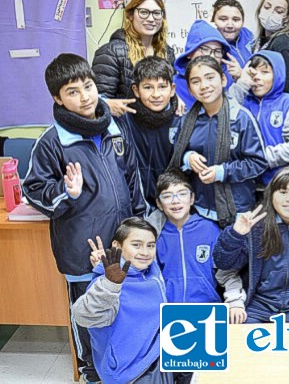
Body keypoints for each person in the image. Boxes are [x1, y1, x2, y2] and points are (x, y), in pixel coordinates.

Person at [23, 54, 146, 383]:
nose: (85, 96)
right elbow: (33, 189)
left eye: (88, 86)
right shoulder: (51, 142)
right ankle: (92, 372)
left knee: (121, 306)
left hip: (120, 244)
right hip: (81, 250)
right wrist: (67, 192)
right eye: (72, 91)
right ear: (57, 98)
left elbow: (133, 178)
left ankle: (121, 366)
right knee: (88, 313)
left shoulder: (114, 127)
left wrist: (141, 226)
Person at [213, 168, 289, 323]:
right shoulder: (255, 227)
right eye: (283, 192)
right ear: (271, 196)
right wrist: (235, 235)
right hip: (257, 307)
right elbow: (224, 263)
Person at [169, 56, 267, 227]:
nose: (204, 86)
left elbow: (258, 163)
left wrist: (222, 172)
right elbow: (176, 155)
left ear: (223, 80)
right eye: (196, 81)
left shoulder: (241, 118)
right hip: (198, 208)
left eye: (210, 77)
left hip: (238, 209)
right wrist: (187, 158)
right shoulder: (187, 121)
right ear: (190, 90)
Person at [72, 218, 171, 384]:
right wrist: (110, 284)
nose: (145, 252)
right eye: (137, 245)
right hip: (130, 372)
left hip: (156, 353)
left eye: (150, 245)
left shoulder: (150, 270)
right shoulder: (107, 284)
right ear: (117, 246)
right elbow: (83, 315)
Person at [154, 171, 244, 309]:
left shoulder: (209, 229)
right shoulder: (156, 235)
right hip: (168, 309)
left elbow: (225, 269)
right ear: (159, 204)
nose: (175, 200)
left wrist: (234, 300)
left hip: (208, 306)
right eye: (167, 196)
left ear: (191, 198)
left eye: (182, 193)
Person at [227, 50, 289, 185]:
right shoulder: (243, 101)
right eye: (253, 73)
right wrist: (242, 83)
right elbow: (223, 115)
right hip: (246, 182)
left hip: (283, 183)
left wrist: (259, 158)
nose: (257, 77)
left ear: (277, 75)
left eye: (265, 72)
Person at [92, 0, 175, 116]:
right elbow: (97, 101)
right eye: (144, 12)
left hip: (157, 127)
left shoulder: (166, 52)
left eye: (157, 13)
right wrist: (107, 103)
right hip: (124, 128)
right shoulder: (111, 53)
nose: (151, 19)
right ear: (130, 15)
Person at [117, 56, 180, 208]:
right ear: (136, 90)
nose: (156, 94)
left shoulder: (182, 120)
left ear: (172, 90)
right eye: (148, 87)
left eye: (162, 87)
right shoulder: (123, 121)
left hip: (173, 203)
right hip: (135, 203)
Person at [173, 19, 233, 110]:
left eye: (217, 51)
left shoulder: (229, 81)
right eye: (205, 49)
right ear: (189, 53)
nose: (212, 56)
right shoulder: (173, 86)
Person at [252, 0, 289, 92]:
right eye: (267, 7)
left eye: (279, 11)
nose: (270, 13)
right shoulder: (258, 42)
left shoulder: (284, 43)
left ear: (287, 18)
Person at [211, 0, 255, 81]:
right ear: (213, 21)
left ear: (242, 22)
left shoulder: (249, 36)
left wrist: (242, 74)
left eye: (236, 20)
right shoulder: (210, 45)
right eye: (223, 19)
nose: (230, 25)